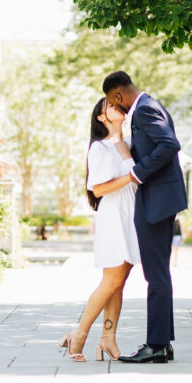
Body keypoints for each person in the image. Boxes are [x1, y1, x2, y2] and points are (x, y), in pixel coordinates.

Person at [103, 70, 187, 364]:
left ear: (117, 96)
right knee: (159, 273)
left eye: (112, 103)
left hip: (156, 201)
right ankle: (162, 343)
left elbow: (169, 144)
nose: (114, 108)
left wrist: (138, 173)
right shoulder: (149, 106)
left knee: (155, 275)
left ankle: (156, 345)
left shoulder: (145, 109)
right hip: (160, 199)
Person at [59, 97, 140, 362]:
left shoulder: (123, 144)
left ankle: (108, 339)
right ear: (101, 117)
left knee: (119, 283)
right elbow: (99, 188)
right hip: (114, 214)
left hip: (130, 213)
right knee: (111, 281)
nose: (118, 107)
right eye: (110, 106)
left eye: (119, 104)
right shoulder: (99, 148)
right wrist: (131, 176)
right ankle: (78, 334)